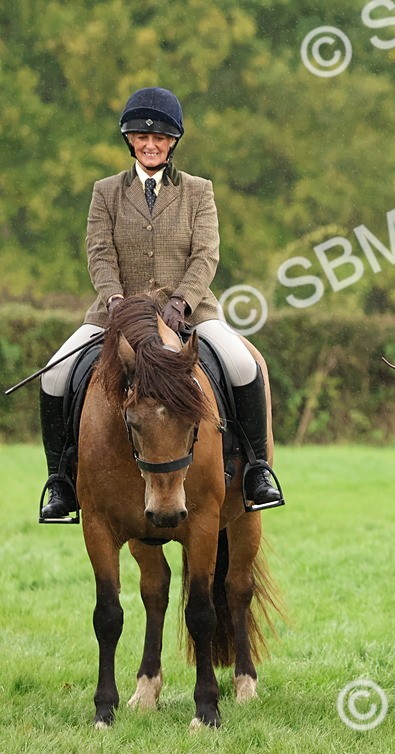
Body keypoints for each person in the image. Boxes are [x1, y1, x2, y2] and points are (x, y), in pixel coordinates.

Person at [37, 87, 283, 523]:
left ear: (173, 143)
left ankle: (257, 472)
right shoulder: (106, 192)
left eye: (160, 139)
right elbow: (99, 252)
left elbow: (206, 254)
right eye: (140, 137)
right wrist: (114, 299)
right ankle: (60, 481)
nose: (150, 145)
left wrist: (182, 302)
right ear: (130, 140)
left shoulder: (198, 191)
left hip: (191, 312)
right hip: (115, 313)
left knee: (243, 366)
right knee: (55, 373)